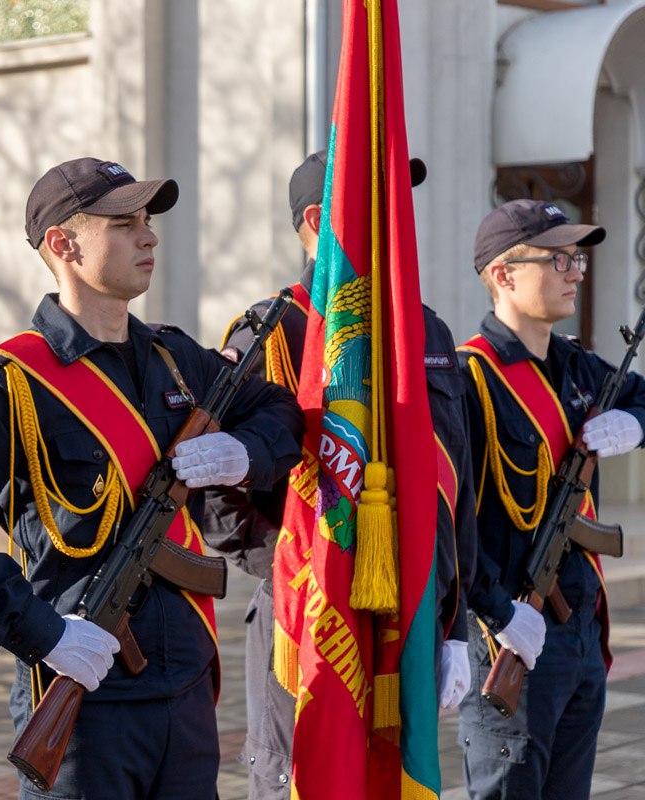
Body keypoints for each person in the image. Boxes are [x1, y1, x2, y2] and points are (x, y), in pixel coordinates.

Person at [0, 157, 304, 799]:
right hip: (86, 697)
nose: (149, 236)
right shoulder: (11, 381)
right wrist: (40, 632)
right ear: (63, 243)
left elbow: (278, 408)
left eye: (147, 221)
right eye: (124, 223)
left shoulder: (177, 360)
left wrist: (243, 453)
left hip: (189, 692)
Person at [202, 150, 479, 798]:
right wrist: (302, 565)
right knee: (299, 778)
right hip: (308, 613)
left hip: (409, 608)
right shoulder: (274, 329)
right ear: (320, 218)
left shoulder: (426, 328)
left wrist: (456, 623)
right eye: (379, 197)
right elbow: (217, 497)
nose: (398, 215)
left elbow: (454, 484)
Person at [456, 199, 645, 799]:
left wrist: (635, 426)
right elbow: (449, 520)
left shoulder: (576, 366)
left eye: (577, 260)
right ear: (503, 275)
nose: (574, 272)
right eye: (558, 258)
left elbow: (642, 397)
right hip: (514, 634)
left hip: (582, 632)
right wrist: (497, 613)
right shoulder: (468, 380)